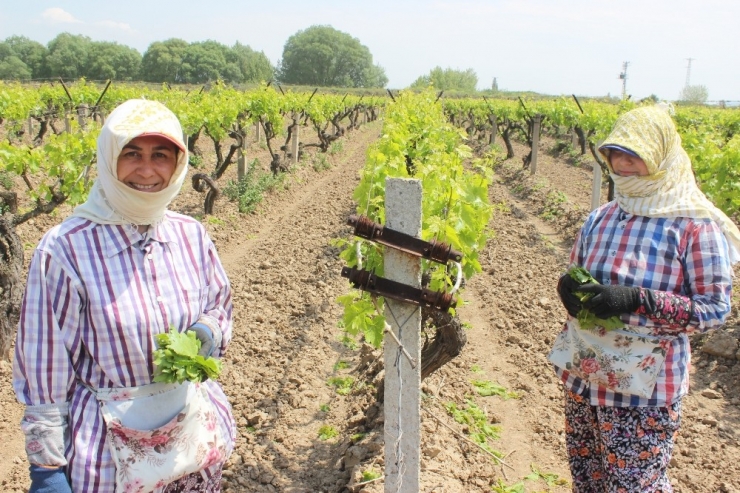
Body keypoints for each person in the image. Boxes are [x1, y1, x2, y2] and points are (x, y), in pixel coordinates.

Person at [13, 99, 236, 493]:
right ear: (109, 158)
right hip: (109, 459)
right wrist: (47, 469)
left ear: (178, 164)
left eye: (161, 155)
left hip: (191, 443)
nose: (147, 170)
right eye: (131, 153)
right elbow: (45, 369)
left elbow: (219, 304)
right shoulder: (66, 249)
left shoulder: (190, 235)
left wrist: (206, 330)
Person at [549, 104, 739, 492]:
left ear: (660, 157)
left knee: (636, 485)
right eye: (615, 152)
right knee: (588, 479)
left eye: (633, 154)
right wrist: (569, 287)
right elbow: (577, 270)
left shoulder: (695, 227)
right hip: (589, 374)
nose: (621, 162)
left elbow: (714, 309)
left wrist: (638, 300)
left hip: (646, 390)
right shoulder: (601, 217)